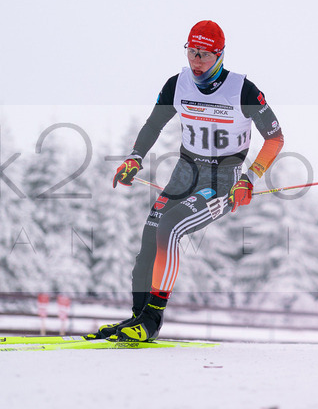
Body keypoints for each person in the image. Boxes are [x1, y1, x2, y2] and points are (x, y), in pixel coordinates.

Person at [88, 20, 284, 341]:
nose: (197, 62)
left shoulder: (244, 90)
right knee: (149, 237)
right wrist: (135, 158)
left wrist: (250, 178)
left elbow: (275, 138)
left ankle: (151, 321)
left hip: (222, 180)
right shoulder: (177, 84)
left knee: (171, 227)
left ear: (220, 56)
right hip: (185, 172)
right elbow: (153, 125)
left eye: (205, 55)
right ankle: (137, 319)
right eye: (192, 52)